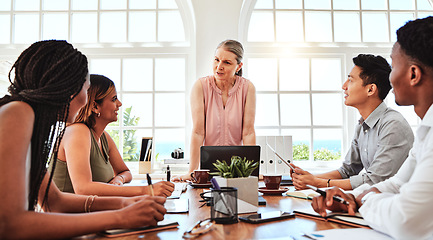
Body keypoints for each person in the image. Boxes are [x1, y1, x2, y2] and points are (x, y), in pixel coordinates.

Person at [0, 40, 167, 239]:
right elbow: (8, 225)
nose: (86, 99)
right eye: (87, 90)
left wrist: (124, 204)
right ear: (70, 89)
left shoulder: (30, 122)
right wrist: (120, 217)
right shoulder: (19, 112)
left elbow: (55, 202)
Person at [311, 16, 433, 240]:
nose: (390, 77)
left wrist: (364, 200)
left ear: (413, 74)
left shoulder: (399, 125)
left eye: (394, 67)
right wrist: (353, 197)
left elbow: (406, 221)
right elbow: (397, 184)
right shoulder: (427, 130)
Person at [291, 54, 414, 190]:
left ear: (370, 89)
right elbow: (347, 171)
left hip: (397, 205)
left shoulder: (393, 125)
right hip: (375, 201)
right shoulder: (362, 125)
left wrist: (317, 182)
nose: (344, 86)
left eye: (350, 80)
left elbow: (375, 180)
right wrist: (309, 177)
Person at [49, 74, 174, 197]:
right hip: (69, 216)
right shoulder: (78, 131)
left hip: (91, 213)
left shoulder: (104, 137)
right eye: (114, 99)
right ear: (95, 106)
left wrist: (119, 179)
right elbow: (83, 189)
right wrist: (147, 190)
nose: (119, 104)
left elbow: (125, 172)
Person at [172, 39, 256, 181]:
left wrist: (250, 173)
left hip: (236, 170)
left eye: (227, 63)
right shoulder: (201, 86)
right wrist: (192, 172)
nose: (219, 66)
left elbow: (248, 132)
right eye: (217, 60)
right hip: (207, 169)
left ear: (238, 66)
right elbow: (198, 132)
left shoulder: (248, 88)